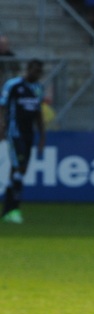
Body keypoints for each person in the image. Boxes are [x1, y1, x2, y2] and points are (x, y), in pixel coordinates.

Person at [0, 59, 46, 224]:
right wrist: (2, 126)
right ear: (28, 69)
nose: (37, 74)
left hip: (28, 134)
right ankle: (12, 210)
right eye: (35, 70)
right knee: (18, 168)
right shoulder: (13, 85)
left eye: (39, 72)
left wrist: (42, 137)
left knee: (20, 171)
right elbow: (2, 106)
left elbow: (38, 114)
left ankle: (9, 210)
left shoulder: (38, 88)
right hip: (15, 132)